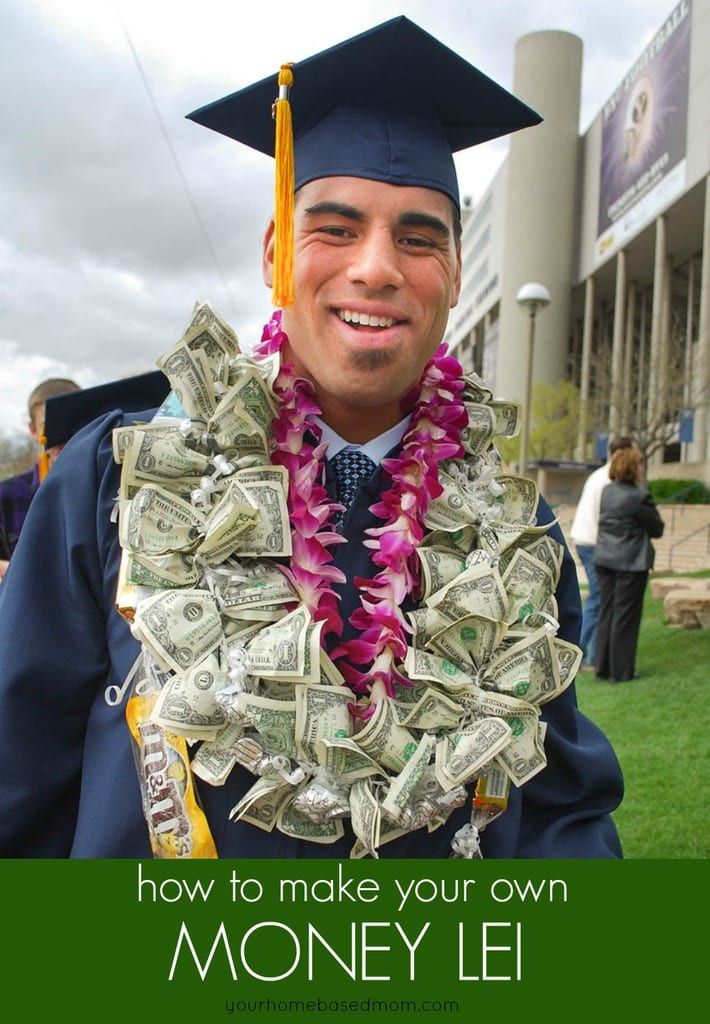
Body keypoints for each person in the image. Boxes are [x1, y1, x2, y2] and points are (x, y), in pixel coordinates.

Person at [0, 17, 623, 858]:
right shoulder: (113, 485)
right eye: (335, 227)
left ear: (454, 276)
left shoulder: (518, 539)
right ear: (275, 253)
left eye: (417, 236)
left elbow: (559, 814)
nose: (376, 266)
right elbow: (18, 784)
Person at [594, 447, 664, 682]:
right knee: (625, 617)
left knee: (607, 612)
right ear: (633, 468)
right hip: (630, 563)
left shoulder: (606, 492)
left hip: (605, 559)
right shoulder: (639, 497)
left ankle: (602, 667)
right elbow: (657, 529)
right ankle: (621, 671)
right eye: (639, 464)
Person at [0, 377, 80, 579]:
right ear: (34, 430)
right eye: (49, 426)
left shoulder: (109, 489)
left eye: (70, 424)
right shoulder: (6, 495)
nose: (61, 437)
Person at [570, 436, 634, 670]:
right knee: (599, 598)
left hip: (586, 539)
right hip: (594, 542)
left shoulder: (599, 474)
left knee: (601, 598)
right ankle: (581, 652)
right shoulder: (610, 478)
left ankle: (593, 653)